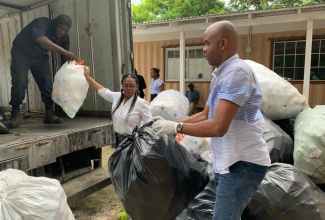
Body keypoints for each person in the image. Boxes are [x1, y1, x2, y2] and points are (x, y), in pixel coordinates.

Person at [152, 20, 271, 220]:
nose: (204, 49)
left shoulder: (237, 73)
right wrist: (170, 123)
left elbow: (218, 126)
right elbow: (205, 115)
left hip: (242, 164)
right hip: (229, 161)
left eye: (207, 43)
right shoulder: (220, 74)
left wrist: (177, 127)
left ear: (223, 44)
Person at [7, 14, 76, 128]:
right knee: (20, 80)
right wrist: (64, 51)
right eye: (60, 27)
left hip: (40, 55)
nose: (62, 32)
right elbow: (40, 39)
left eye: (65, 30)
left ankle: (49, 114)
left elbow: (65, 59)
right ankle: (15, 114)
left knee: (47, 83)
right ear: (55, 23)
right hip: (21, 52)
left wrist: (69, 74)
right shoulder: (41, 23)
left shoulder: (64, 37)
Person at [84, 66, 152, 146]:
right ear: (122, 86)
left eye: (131, 86)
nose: (128, 88)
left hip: (133, 143)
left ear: (136, 87)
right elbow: (102, 91)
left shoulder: (141, 103)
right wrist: (87, 76)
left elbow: (149, 125)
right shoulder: (117, 97)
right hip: (118, 140)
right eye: (125, 86)